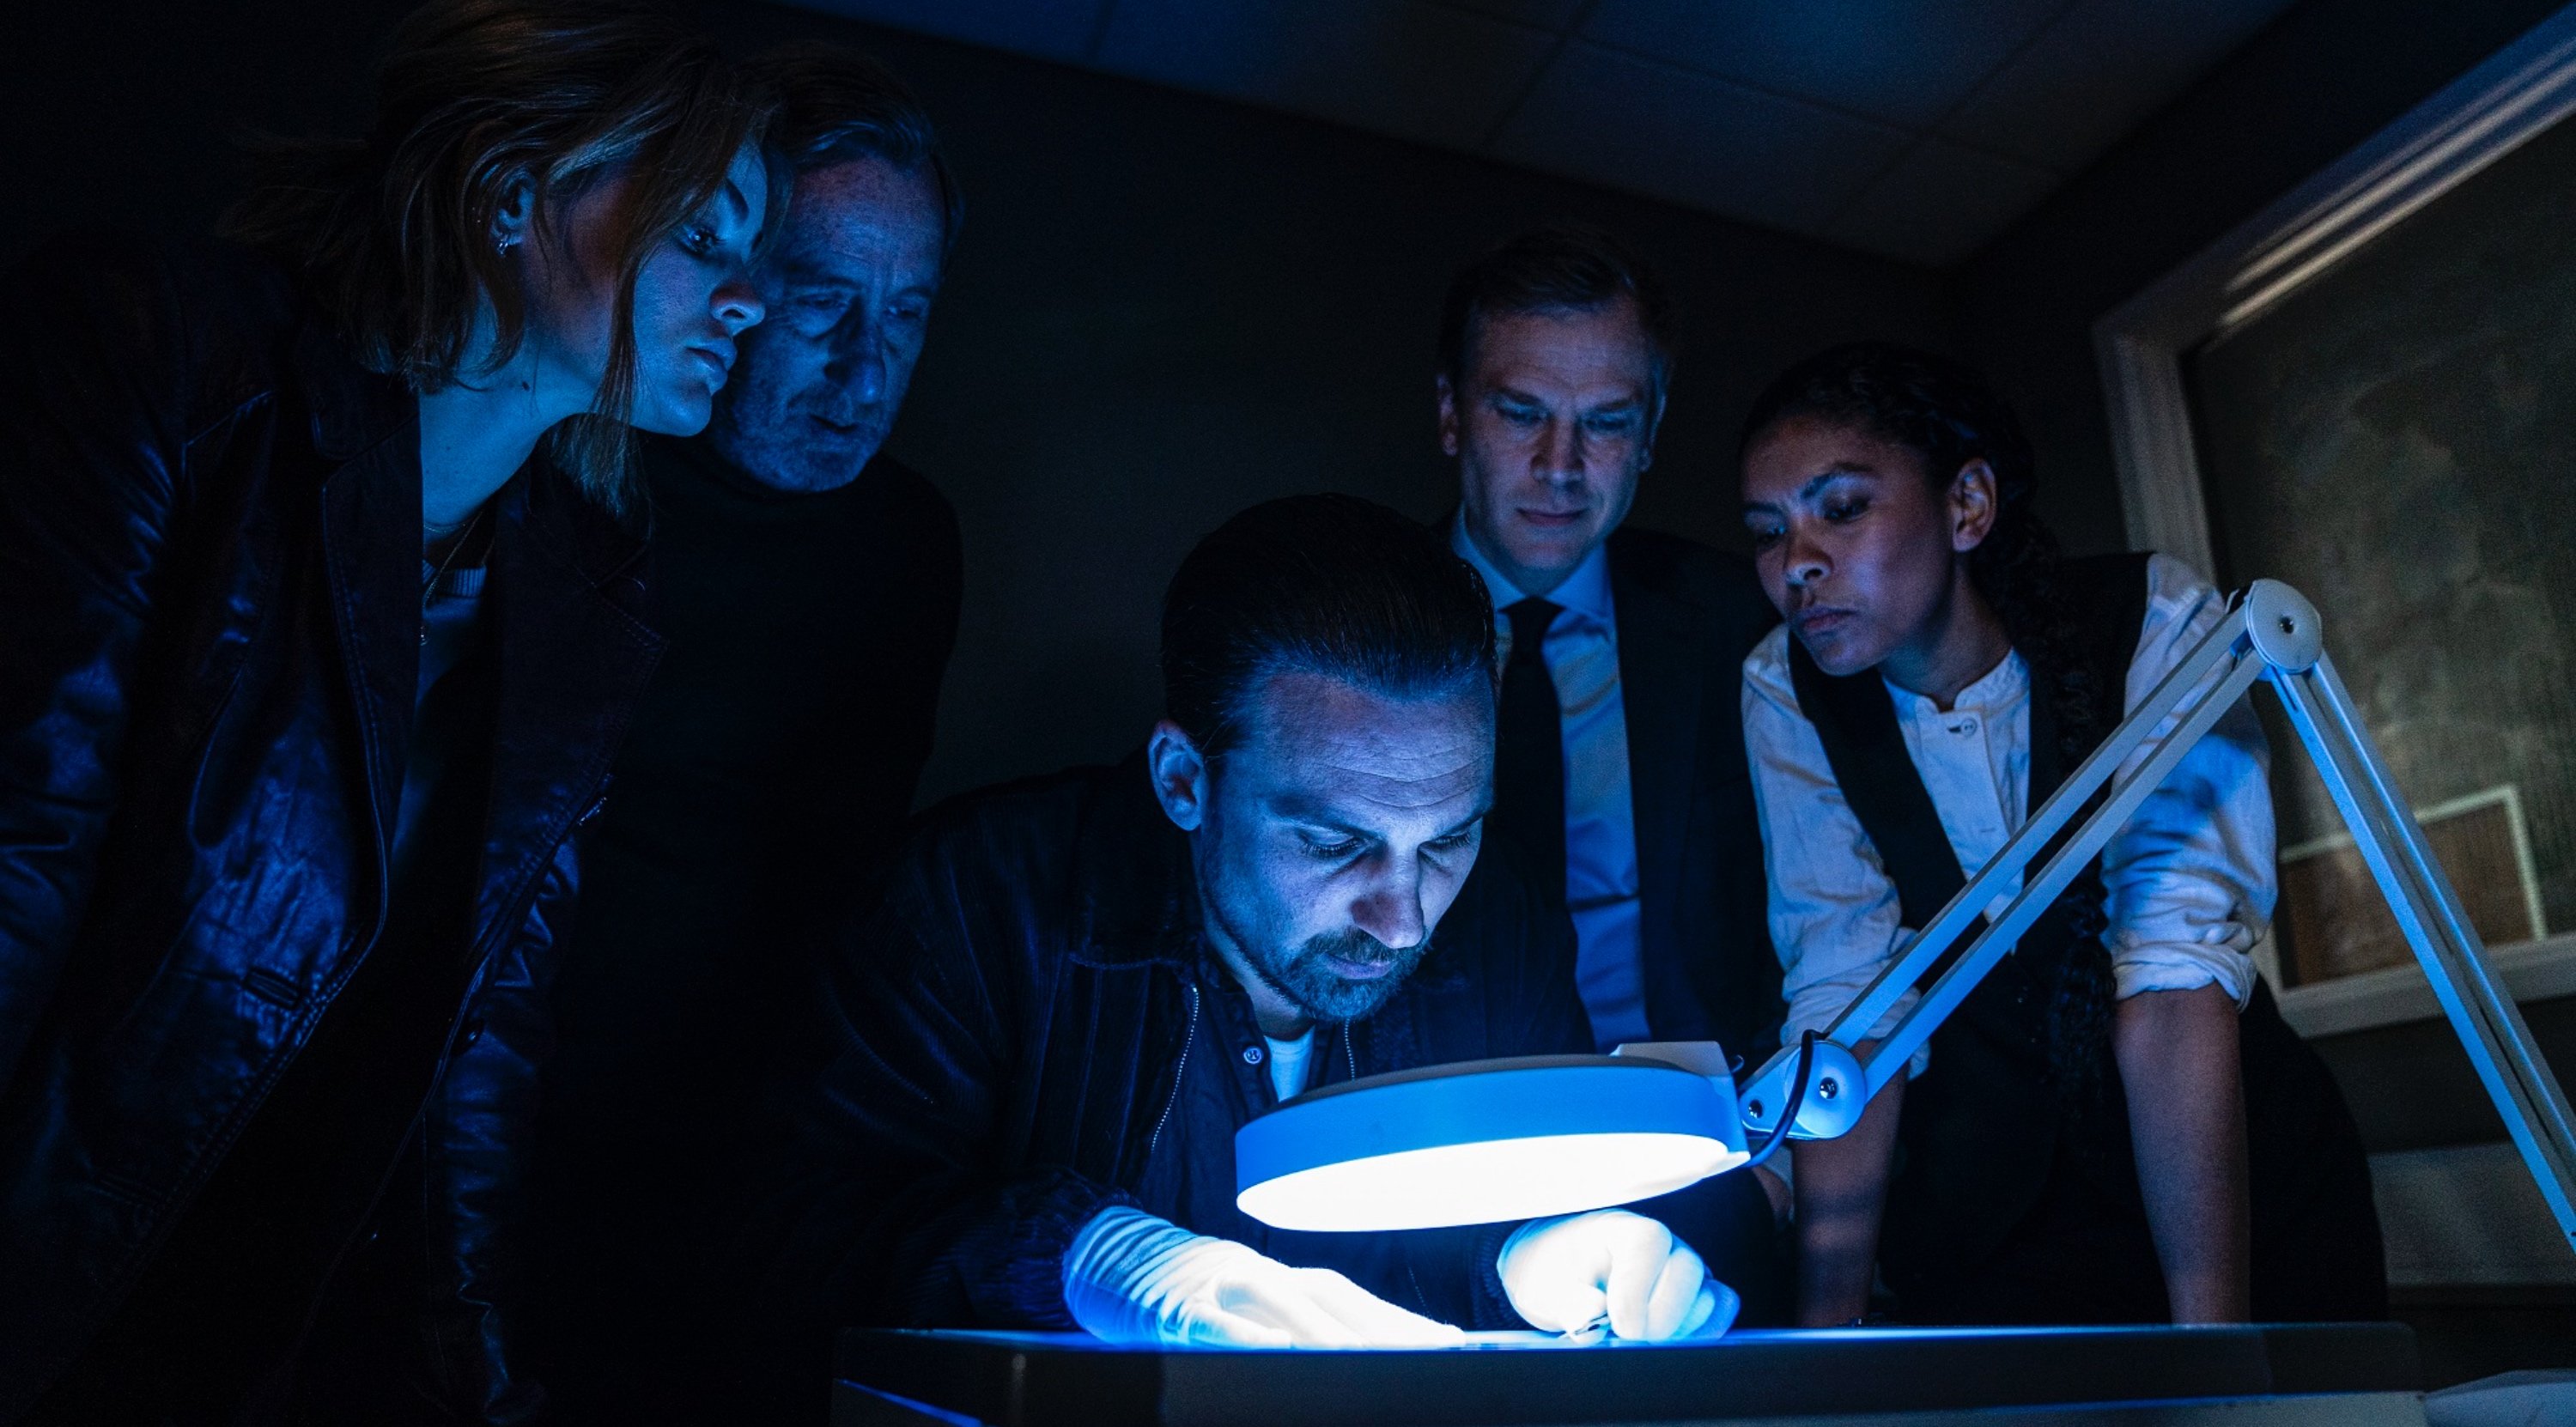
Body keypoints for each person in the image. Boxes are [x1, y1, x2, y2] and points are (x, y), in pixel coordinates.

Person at [0, 2, 773, 1418]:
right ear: (505, 193)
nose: (749, 298)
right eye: (703, 236)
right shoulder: (165, 352)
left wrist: (472, 1382)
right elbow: (22, 842)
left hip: (246, 1321)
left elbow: (484, 1037)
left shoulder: (581, 588)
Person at [736, 495, 1732, 1410]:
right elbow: (801, 1238)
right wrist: (1094, 1260)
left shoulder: (1498, 921)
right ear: (1183, 781)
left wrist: (1534, 1261)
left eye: (1446, 840)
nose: (1405, 919)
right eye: (1334, 843)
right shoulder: (976, 903)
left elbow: (1492, 1235)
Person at [1735, 343, 2385, 1328]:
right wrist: (1828, 1351)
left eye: (1842, 506)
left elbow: (2170, 983)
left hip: (2236, 1203)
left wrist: (2213, 1354)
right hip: (1997, 1234)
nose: (1799, 564)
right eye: (1767, 532)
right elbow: (1848, 1002)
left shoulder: (2161, 625)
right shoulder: (1785, 689)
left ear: (1968, 507)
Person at [532, 44, 963, 1418]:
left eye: (908, 314)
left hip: (752, 1156)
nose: (864, 365)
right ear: (730, 284)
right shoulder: (581, 473)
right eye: (825, 300)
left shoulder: (910, 545)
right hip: (519, 1107)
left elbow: (858, 883)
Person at [1434, 225, 1789, 1317]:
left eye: (1605, 424)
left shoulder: (1745, 620)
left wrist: (1774, 1177)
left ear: (1650, 437)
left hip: (1700, 1166)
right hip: (1430, 1169)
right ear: (1452, 415)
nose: (1559, 467)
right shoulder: (1354, 623)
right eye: (1521, 412)